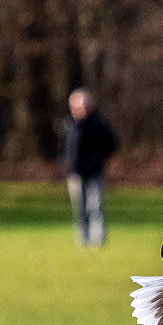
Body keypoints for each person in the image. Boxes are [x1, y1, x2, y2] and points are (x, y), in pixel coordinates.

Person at [62, 87, 117, 247]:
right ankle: (82, 241)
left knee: (95, 207)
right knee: (80, 210)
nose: (80, 110)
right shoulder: (68, 125)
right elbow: (63, 149)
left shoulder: (99, 124)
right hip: (75, 174)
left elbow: (111, 145)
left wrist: (97, 159)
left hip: (94, 173)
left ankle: (98, 241)